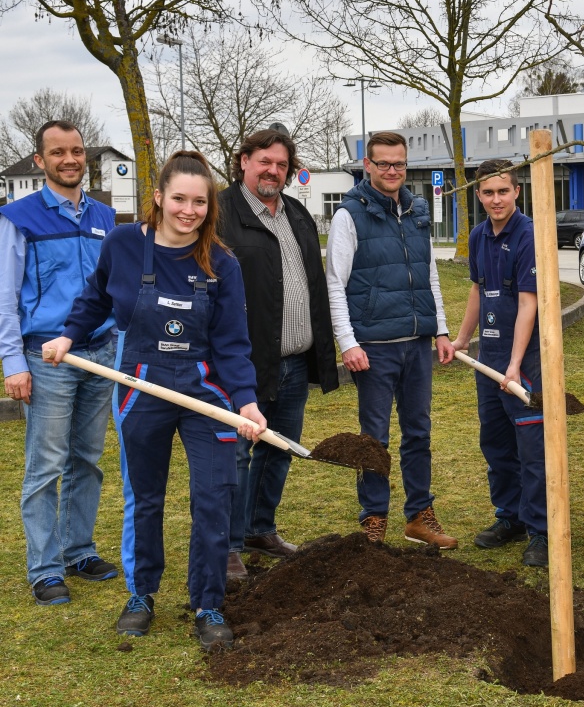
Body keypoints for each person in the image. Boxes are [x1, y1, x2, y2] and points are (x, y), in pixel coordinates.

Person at [44, 151, 266, 651]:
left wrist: (246, 403)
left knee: (214, 496)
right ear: (159, 198)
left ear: (211, 206)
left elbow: (232, 345)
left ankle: (207, 603)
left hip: (206, 388)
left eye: (200, 202)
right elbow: (94, 300)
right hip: (141, 384)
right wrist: (68, 338)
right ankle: (141, 594)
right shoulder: (124, 245)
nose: (189, 211)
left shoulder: (222, 265)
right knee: (145, 498)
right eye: (180, 199)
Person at [1, 120, 119, 606]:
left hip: (100, 354)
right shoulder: (18, 217)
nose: (69, 160)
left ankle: (79, 550)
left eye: (76, 151)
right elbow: (5, 297)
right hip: (46, 357)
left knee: (86, 459)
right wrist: (13, 362)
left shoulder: (106, 217)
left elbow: (116, 287)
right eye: (58, 153)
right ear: (40, 160)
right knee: (45, 465)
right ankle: (46, 569)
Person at [217, 129, 339, 580]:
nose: (273, 171)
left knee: (279, 449)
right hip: (244, 363)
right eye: (265, 161)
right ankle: (228, 545)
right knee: (237, 453)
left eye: (282, 165)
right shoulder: (221, 214)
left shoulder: (297, 215)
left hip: (293, 360)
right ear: (244, 161)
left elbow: (313, 284)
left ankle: (258, 529)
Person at [326, 130, 457, 548]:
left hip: (417, 344)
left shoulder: (418, 212)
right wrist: (348, 342)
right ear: (367, 165)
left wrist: (439, 328)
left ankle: (419, 515)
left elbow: (429, 274)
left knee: (418, 432)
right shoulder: (349, 215)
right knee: (374, 439)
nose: (391, 170)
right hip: (375, 349)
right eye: (382, 163)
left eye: (398, 163)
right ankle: (374, 519)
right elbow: (335, 283)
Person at [449, 159, 548, 568]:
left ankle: (541, 529)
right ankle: (510, 518)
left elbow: (529, 303)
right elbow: (478, 290)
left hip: (524, 362)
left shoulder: (529, 235)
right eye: (487, 193)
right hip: (487, 360)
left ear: (517, 192)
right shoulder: (477, 236)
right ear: (478, 195)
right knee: (496, 442)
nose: (495, 199)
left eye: (502, 191)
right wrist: (461, 338)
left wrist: (515, 363)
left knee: (532, 447)